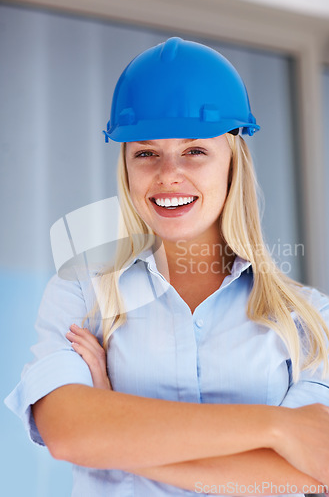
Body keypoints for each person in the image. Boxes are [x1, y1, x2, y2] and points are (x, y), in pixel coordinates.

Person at [5, 37, 329, 497]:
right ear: (126, 166)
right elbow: (69, 431)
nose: (168, 174)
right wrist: (278, 426)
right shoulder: (81, 294)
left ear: (232, 164)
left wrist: (114, 426)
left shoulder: (310, 318)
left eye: (195, 151)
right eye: (145, 153)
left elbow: (312, 471)